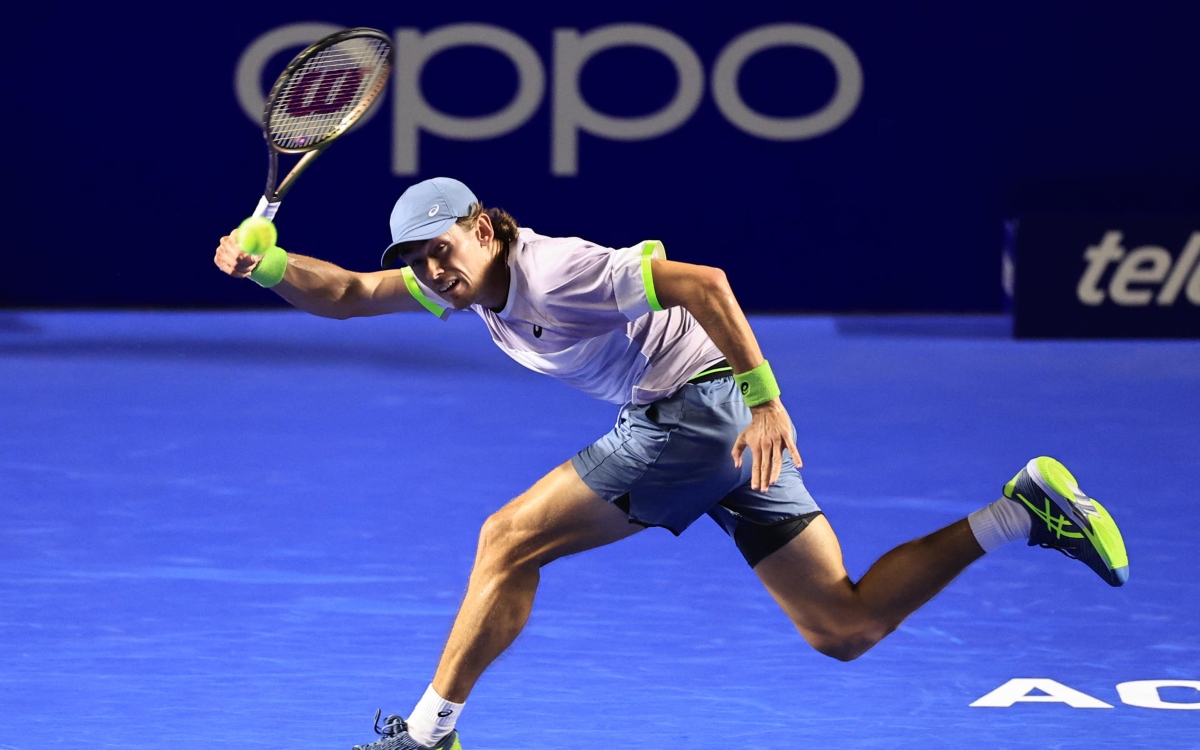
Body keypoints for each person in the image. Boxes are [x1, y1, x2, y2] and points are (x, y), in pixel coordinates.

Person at [213, 177, 1128, 750]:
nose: (432, 271)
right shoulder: (457, 280)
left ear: (486, 227)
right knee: (842, 625)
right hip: (719, 429)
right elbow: (346, 294)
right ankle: (1021, 511)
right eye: (420, 262)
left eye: (441, 250)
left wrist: (766, 396)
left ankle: (426, 736)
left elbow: (706, 284)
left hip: (697, 414)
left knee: (507, 542)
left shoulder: (561, 270)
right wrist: (269, 266)